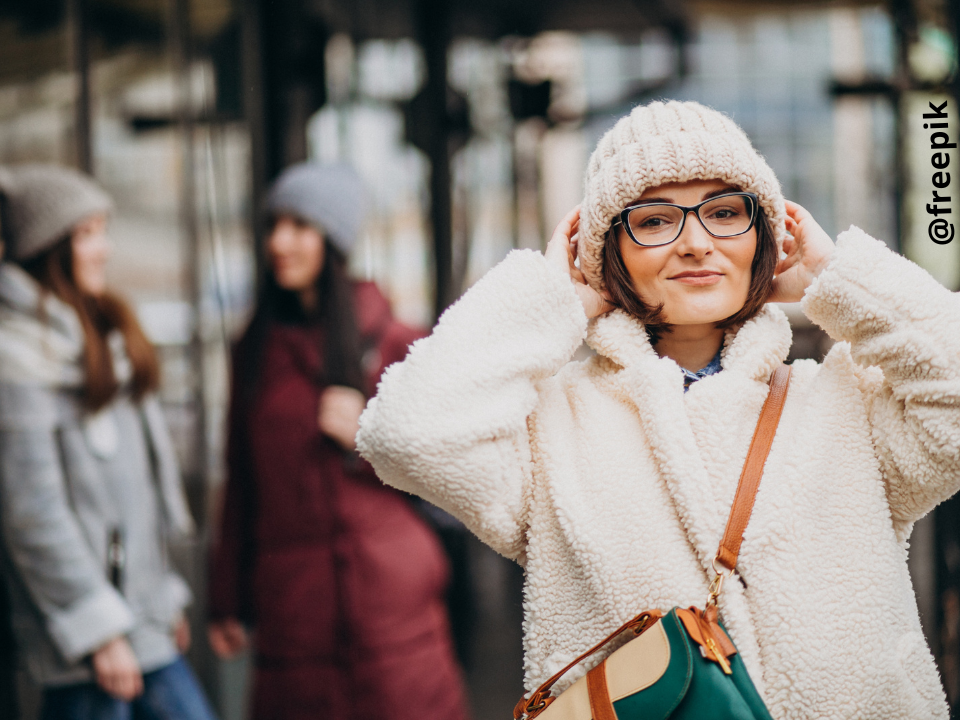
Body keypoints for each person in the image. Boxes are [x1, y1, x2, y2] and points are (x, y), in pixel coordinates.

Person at [357, 100, 960, 719]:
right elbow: (409, 433)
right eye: (653, 220)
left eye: (726, 213)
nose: (696, 243)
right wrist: (549, 300)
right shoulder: (553, 427)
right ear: (608, 250)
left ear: (767, 234)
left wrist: (838, 276)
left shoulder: (844, 401)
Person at [206, 163, 470, 720]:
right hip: (295, 618)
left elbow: (457, 472)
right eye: (274, 225)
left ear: (334, 240)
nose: (280, 242)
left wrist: (370, 438)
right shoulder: (254, 350)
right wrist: (226, 598)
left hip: (394, 613)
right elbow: (241, 480)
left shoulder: (398, 342)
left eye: (300, 227)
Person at [0, 164, 217, 720]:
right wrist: (99, 633)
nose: (106, 247)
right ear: (51, 246)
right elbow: (33, 515)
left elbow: (142, 488)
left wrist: (162, 595)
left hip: (142, 622)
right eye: (89, 232)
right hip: (89, 646)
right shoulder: (16, 356)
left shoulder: (107, 334)